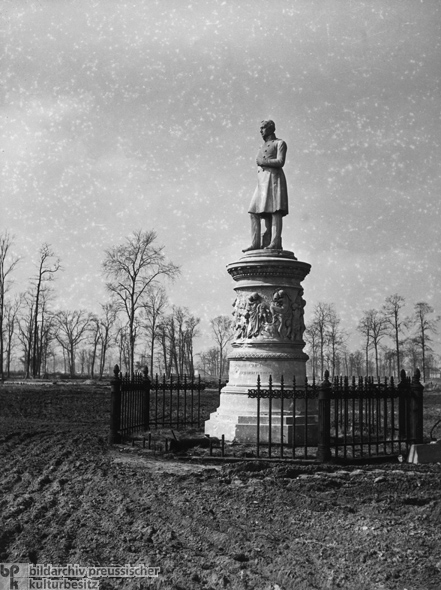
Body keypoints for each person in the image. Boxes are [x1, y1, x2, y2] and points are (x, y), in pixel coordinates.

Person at [243, 120, 288, 251]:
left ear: (271, 128)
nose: (260, 130)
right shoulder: (260, 147)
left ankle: (275, 242)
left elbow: (280, 161)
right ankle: (255, 243)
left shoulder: (280, 143)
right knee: (253, 211)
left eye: (263, 128)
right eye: (260, 128)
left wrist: (264, 161)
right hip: (261, 182)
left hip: (274, 179)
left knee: (275, 210)